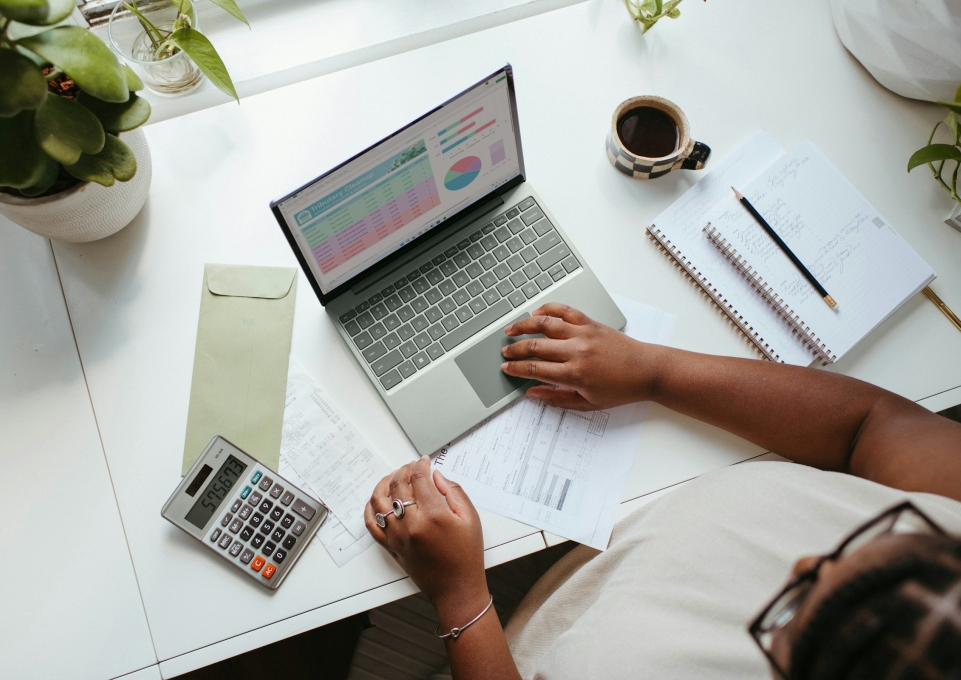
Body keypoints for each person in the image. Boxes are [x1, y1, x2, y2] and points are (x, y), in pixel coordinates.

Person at [365, 304, 961, 680]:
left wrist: (461, 596)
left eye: (795, 606)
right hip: (598, 552)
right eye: (883, 534)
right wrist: (654, 371)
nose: (803, 561)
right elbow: (871, 424)